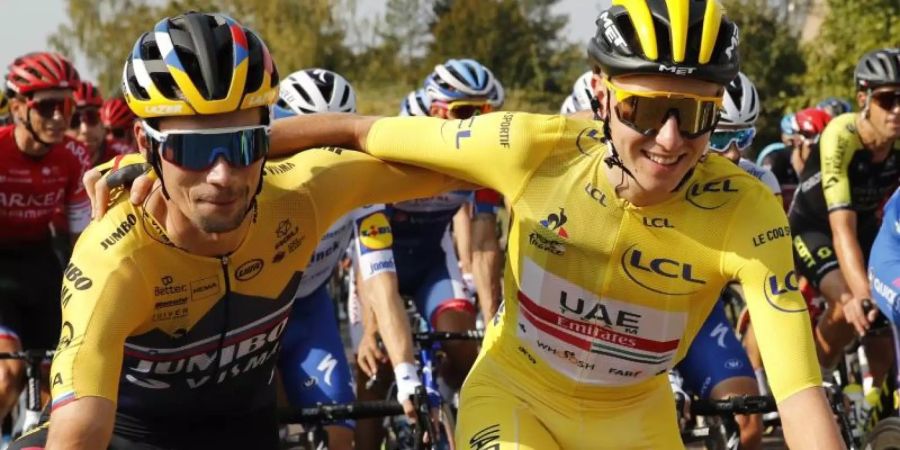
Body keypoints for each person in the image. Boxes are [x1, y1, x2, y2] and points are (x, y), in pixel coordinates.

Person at [261, 2, 842, 448]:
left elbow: (800, 394)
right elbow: (357, 131)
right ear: (602, 92)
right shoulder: (531, 147)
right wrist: (216, 148)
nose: (670, 141)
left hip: (635, 420)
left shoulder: (744, 206)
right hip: (517, 397)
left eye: (696, 116)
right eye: (645, 109)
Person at [14, 12, 468, 450]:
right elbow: (80, 429)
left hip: (245, 431)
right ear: (145, 145)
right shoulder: (117, 253)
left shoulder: (298, 190)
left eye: (243, 145)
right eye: (191, 150)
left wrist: (352, 128)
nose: (222, 175)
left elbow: (472, 162)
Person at [272, 68, 418, 450]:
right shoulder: (253, 180)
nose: (326, 157)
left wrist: (406, 376)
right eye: (311, 142)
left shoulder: (360, 185)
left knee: (339, 435)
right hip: (250, 322)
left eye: (337, 142)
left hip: (308, 312)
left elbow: (381, 280)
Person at [788, 49, 900, 389]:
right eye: (887, 99)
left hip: (866, 231)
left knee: (882, 335)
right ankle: (815, 385)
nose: (898, 110)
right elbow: (842, 231)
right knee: (849, 305)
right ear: (863, 98)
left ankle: (876, 415)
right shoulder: (842, 135)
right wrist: (862, 295)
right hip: (813, 230)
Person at [0, 51, 91, 423]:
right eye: (48, 106)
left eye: (66, 105)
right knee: (7, 376)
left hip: (41, 264)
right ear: (19, 107)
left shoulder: (74, 155)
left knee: (62, 383)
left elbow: (81, 238)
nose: (59, 117)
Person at [69, 81, 133, 166]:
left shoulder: (124, 154)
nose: (85, 129)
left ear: (102, 123)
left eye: (92, 117)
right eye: (75, 120)